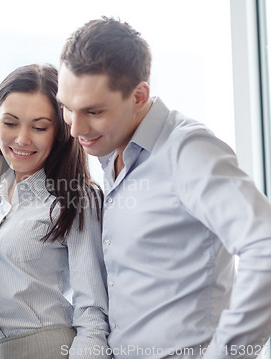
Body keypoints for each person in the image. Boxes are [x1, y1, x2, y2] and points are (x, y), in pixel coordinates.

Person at [57, 16, 271, 358]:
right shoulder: (112, 153)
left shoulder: (188, 151)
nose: (75, 127)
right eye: (67, 108)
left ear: (139, 95)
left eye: (93, 111)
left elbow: (265, 245)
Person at [0, 64, 110, 359]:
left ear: (61, 130)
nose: (22, 139)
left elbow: (92, 315)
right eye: (10, 123)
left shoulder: (76, 198)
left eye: (39, 127)